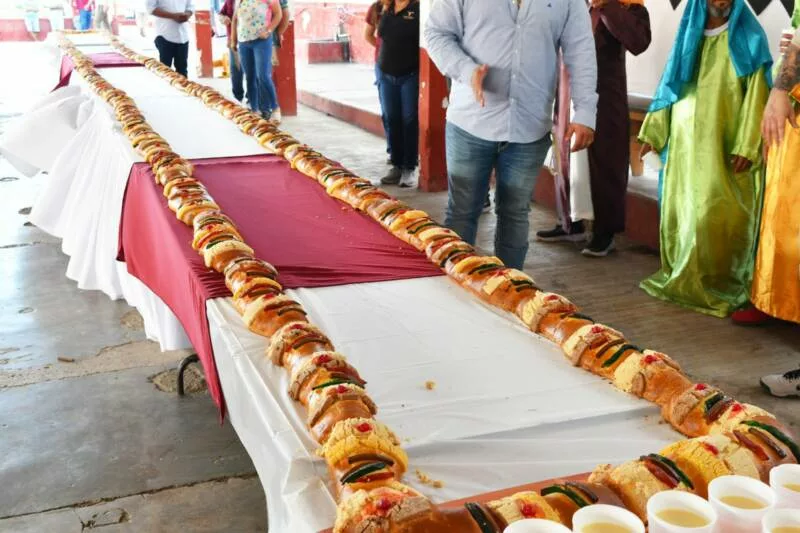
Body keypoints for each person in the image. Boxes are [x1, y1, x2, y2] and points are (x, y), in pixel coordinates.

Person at [425, 0, 598, 270]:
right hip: (470, 122)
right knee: (462, 211)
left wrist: (585, 111)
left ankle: (509, 289)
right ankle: (453, 286)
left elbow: (581, 50)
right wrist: (467, 70)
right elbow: (436, 33)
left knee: (515, 214)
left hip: (529, 126)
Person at [638, 0, 772, 317]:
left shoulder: (750, 37)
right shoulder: (690, 34)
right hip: (684, 144)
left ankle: (721, 283)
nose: (720, 2)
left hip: (724, 144)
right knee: (685, 209)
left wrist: (747, 145)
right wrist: (653, 132)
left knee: (717, 210)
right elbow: (670, 84)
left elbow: (758, 94)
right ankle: (682, 277)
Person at [537, 0, 651, 257]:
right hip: (567, 95)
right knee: (567, 158)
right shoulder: (573, 5)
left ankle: (604, 232)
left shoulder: (628, 5)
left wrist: (608, 6)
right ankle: (570, 223)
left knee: (605, 163)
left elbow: (638, 42)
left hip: (604, 100)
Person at [376, 0, 420, 189]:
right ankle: (396, 164)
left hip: (409, 74)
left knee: (409, 120)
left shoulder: (418, 9)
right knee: (391, 118)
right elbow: (380, 34)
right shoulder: (387, 8)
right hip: (385, 73)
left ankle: (409, 167)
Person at [230, 0, 282, 120]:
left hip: (262, 42)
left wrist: (268, 30)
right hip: (244, 42)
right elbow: (235, 20)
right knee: (250, 77)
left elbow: (278, 14)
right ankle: (254, 110)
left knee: (263, 76)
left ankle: (275, 108)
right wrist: (233, 40)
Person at [365, 0, 392, 163]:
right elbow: (368, 35)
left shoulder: (411, 7)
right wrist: (384, 48)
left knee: (408, 114)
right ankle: (393, 151)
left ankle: (409, 153)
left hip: (408, 66)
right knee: (388, 112)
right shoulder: (376, 9)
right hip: (382, 65)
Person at [146, 0, 194, 77]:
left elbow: (190, 6)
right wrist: (173, 16)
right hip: (164, 35)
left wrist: (187, 15)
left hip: (183, 36)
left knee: (182, 71)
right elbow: (151, 8)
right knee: (165, 70)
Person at [219, 0, 244, 102]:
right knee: (235, 70)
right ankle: (237, 98)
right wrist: (223, 18)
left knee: (251, 71)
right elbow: (221, 14)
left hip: (250, 40)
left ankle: (251, 99)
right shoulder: (230, 1)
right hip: (233, 40)